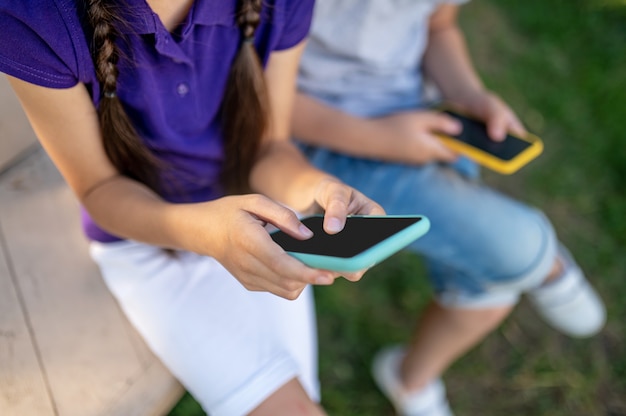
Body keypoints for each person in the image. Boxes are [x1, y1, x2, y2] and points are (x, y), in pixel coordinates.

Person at [0, 1, 386, 415]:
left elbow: (269, 148)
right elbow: (99, 188)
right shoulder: (35, 17)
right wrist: (208, 233)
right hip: (144, 241)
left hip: (260, 225)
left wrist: (319, 191)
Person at [291, 1, 606, 414]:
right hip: (321, 146)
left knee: (487, 284)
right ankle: (545, 262)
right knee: (515, 253)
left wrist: (469, 94)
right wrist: (378, 138)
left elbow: (439, 26)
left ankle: (410, 378)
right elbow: (259, 96)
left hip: (420, 120)